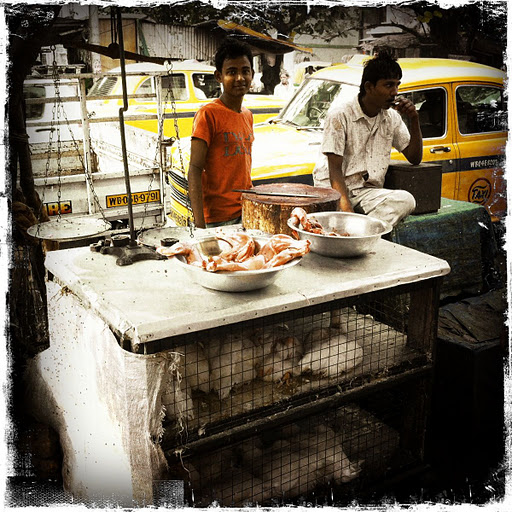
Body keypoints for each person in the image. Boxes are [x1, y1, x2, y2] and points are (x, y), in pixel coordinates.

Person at [313, 51, 423, 227]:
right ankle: (361, 229)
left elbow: (414, 157)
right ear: (369, 87)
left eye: (397, 85)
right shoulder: (340, 115)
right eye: (388, 85)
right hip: (333, 191)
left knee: (406, 200)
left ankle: (359, 230)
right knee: (344, 216)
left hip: (366, 194)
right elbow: (334, 171)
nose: (395, 92)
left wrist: (414, 119)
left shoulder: (391, 118)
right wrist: (346, 212)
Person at [187, 38, 255, 229]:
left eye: (245, 71)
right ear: (219, 76)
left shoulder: (248, 115)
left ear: (252, 74)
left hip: (245, 212)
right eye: (231, 72)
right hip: (217, 220)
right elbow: (194, 170)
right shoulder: (208, 114)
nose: (240, 78)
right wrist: (199, 226)